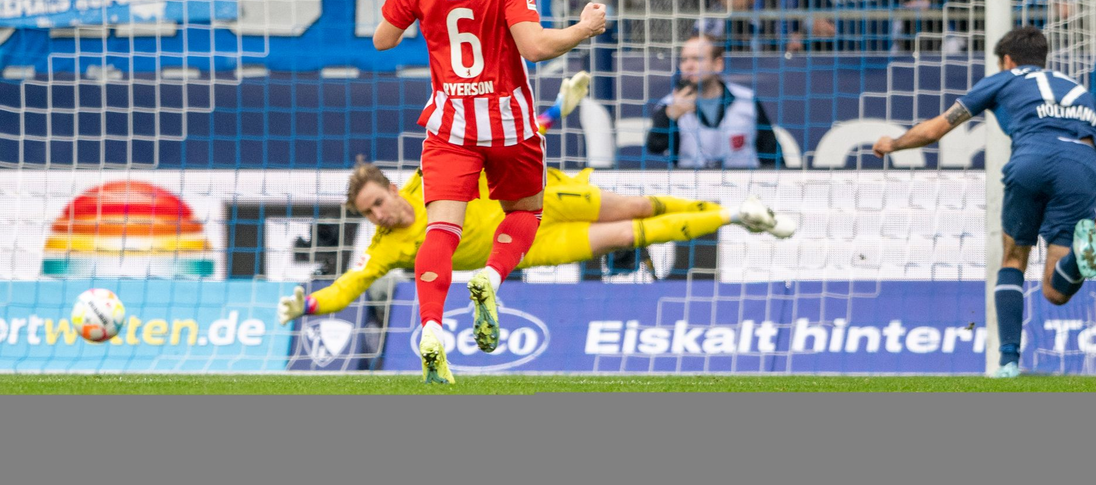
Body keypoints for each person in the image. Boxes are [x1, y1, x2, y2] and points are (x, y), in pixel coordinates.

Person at [372, 0, 607, 383]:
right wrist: (585, 28)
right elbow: (536, 48)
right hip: (508, 124)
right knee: (526, 213)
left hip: (452, 123)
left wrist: (418, 5)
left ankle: (431, 329)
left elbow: (383, 40)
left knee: (441, 230)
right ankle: (491, 277)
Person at [871, 26, 1096, 378]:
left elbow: (936, 129)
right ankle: (1079, 258)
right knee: (1056, 291)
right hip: (1081, 167)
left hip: (1032, 159)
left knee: (1012, 257)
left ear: (1007, 60)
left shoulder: (1004, 80)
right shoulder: (1077, 91)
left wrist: (894, 144)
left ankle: (1008, 362)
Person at [277, 161, 796, 324]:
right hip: (529, 246)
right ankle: (736, 215)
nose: (377, 214)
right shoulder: (386, 249)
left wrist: (546, 119)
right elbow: (350, 284)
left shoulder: (428, 177)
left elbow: (491, 151)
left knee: (636, 207)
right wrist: (312, 303)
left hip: (541, 198)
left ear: (391, 188)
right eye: (368, 212)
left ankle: (734, 209)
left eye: (376, 202)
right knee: (625, 236)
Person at [645, 36, 781, 169]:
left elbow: (771, 151)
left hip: (744, 187)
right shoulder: (669, 105)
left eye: (697, 59)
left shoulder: (747, 100)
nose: (688, 66)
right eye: (684, 59)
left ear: (718, 64)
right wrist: (670, 116)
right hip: (690, 188)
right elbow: (655, 146)